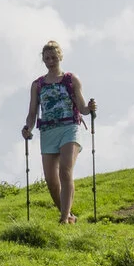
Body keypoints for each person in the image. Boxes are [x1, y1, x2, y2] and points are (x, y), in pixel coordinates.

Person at [21, 41, 97, 224]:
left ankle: (63, 218)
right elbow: (32, 113)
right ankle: (68, 214)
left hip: (69, 127)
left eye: (54, 57)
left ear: (60, 57)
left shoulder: (71, 79)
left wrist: (89, 108)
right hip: (47, 130)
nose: (51, 61)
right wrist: (27, 129)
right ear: (43, 60)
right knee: (51, 180)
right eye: (47, 58)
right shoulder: (37, 85)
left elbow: (82, 107)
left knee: (65, 171)